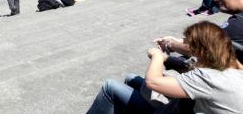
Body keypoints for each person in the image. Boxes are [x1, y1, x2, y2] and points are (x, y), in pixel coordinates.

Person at [86, 21, 243, 114]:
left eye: (190, 45)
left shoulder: (208, 77)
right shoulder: (233, 65)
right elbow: (189, 68)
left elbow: (153, 82)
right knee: (131, 78)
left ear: (201, 49)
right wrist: (170, 50)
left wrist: (157, 56)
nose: (188, 48)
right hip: (184, 107)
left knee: (110, 87)